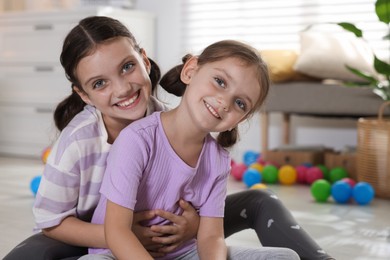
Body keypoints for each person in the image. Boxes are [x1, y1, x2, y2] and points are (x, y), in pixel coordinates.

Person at [3, 16, 333, 260]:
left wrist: (194, 228)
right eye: (100, 83)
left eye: (128, 67)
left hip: (169, 236)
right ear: (84, 94)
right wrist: (129, 234)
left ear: (144, 60)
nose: (122, 88)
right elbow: (52, 223)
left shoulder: (183, 125)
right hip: (87, 234)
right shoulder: (80, 142)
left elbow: (209, 233)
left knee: (262, 201)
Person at [78, 39, 300, 260]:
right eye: (220, 82)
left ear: (240, 119)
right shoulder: (136, 140)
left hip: (182, 254)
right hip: (119, 254)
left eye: (240, 103)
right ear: (190, 71)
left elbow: (212, 237)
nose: (224, 102)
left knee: (286, 257)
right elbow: (117, 232)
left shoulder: (219, 161)